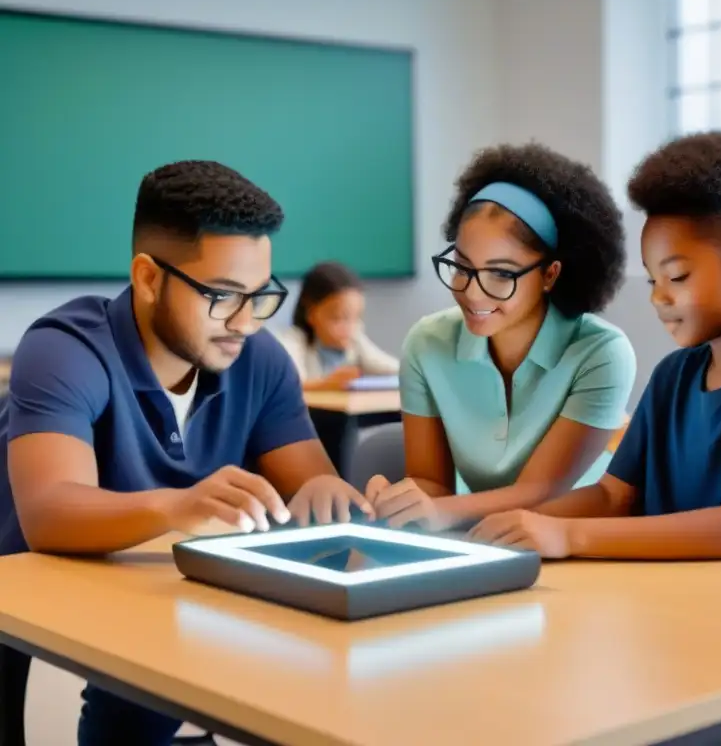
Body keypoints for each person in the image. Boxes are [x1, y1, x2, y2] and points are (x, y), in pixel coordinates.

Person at [468, 132, 721, 745]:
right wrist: (525, 521)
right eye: (651, 278)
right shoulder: (675, 374)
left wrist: (567, 535)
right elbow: (611, 496)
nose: (657, 298)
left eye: (675, 276)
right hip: (691, 623)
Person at [0, 160, 372, 746]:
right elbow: (48, 513)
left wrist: (324, 493)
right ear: (148, 278)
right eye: (223, 295)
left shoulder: (260, 359)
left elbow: (311, 483)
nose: (246, 322)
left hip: (153, 609)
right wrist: (180, 506)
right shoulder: (65, 349)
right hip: (30, 616)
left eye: (262, 296)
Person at [365, 143, 636, 531]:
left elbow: (542, 491)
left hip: (576, 540)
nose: (472, 293)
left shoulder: (601, 352)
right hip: (484, 539)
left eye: (502, 274)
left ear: (550, 274)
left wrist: (441, 511)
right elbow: (433, 485)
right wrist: (401, 499)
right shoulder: (426, 343)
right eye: (462, 266)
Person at [274, 260, 399, 391]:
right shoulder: (293, 341)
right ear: (310, 313)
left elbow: (393, 369)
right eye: (338, 318)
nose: (349, 327)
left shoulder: (355, 340)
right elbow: (289, 385)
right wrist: (326, 384)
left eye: (357, 318)